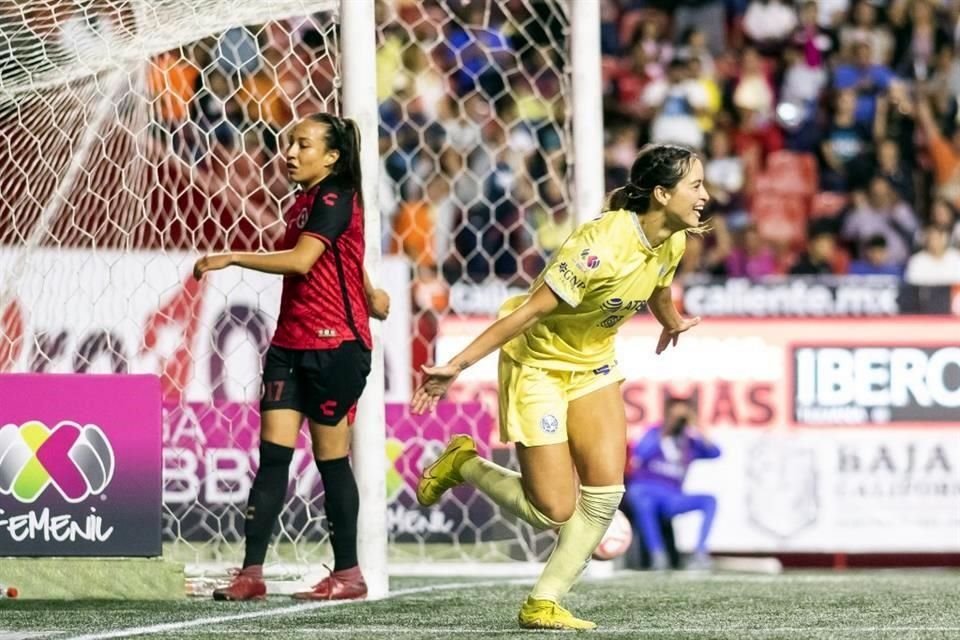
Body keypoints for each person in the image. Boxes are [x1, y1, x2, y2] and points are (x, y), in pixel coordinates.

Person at [411, 144, 709, 630]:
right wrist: (456, 365)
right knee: (552, 509)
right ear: (661, 193)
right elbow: (529, 309)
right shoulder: (599, 247)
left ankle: (543, 602)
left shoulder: (673, 237)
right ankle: (462, 462)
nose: (705, 196)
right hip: (539, 364)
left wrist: (671, 319)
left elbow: (658, 283)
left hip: (593, 365)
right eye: (695, 186)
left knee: (605, 494)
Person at [192, 113, 390, 602]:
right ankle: (250, 573)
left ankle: (348, 575)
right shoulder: (305, 202)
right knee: (272, 460)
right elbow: (342, 253)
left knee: (331, 462)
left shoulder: (335, 196)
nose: (290, 153)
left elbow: (302, 260)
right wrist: (369, 291)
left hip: (335, 348)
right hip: (289, 345)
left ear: (332, 156)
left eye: (303, 145)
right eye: (288, 144)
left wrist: (232, 256)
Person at [625, 397, 720, 571]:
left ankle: (700, 553)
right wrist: (666, 429)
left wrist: (697, 426)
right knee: (640, 497)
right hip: (647, 490)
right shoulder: (654, 432)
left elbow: (715, 452)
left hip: (672, 497)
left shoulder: (689, 441)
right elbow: (640, 453)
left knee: (709, 501)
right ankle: (657, 555)